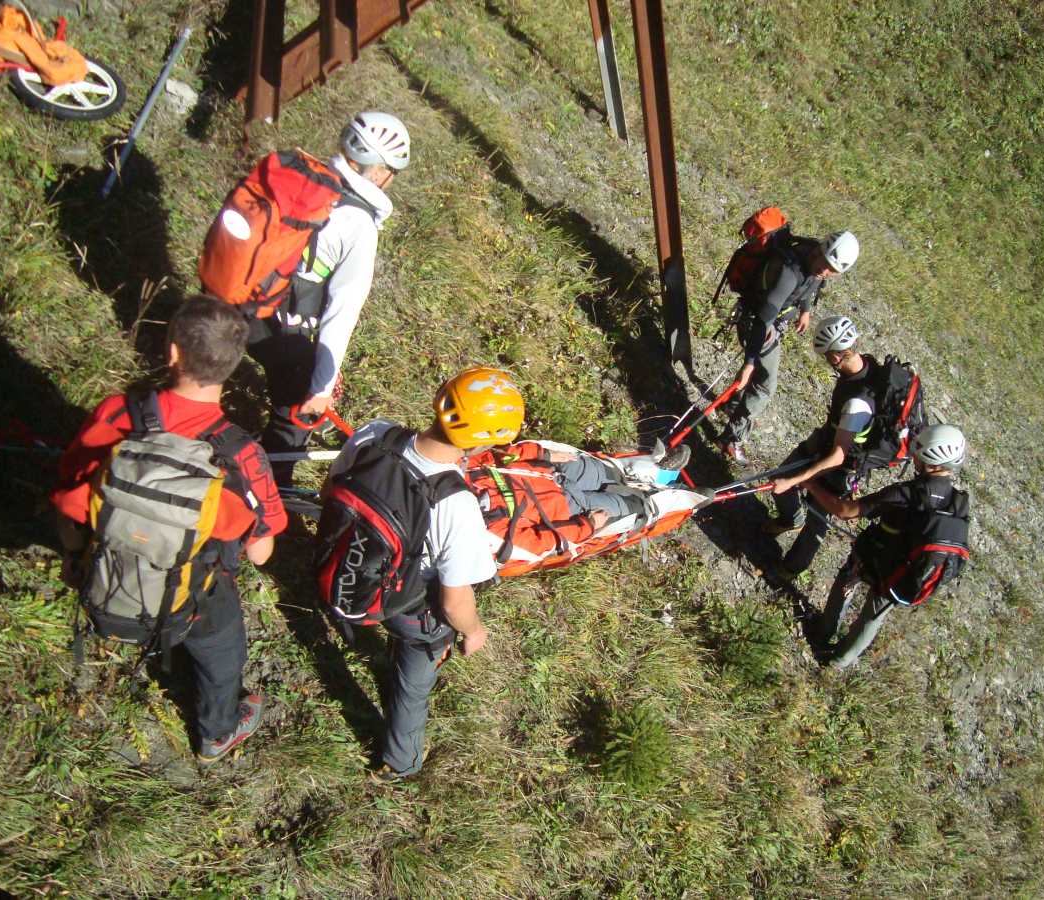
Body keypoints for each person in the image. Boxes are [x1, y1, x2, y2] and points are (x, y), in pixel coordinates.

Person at [51, 296, 288, 763]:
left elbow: (68, 501)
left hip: (110, 567)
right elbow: (261, 552)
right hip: (198, 595)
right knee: (222, 655)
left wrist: (75, 556)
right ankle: (216, 734)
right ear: (233, 366)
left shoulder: (118, 413)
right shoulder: (241, 454)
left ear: (173, 352)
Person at [326, 366, 524, 781]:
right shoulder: (455, 504)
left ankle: (345, 612)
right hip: (411, 607)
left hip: (346, 560)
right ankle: (401, 762)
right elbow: (454, 602)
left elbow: (333, 489)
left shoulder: (376, 433)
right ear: (484, 442)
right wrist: (473, 631)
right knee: (413, 685)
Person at [246, 111, 410, 484]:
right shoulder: (360, 225)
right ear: (380, 171)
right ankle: (268, 489)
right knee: (296, 411)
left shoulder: (302, 176)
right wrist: (319, 388)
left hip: (233, 294)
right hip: (278, 323)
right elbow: (342, 312)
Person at [802, 424, 969, 667]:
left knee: (846, 583)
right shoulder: (958, 502)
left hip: (873, 557)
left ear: (930, 461)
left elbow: (846, 511)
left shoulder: (907, 493)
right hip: (906, 573)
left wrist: (810, 484)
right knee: (874, 616)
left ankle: (823, 632)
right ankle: (840, 661)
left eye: (918, 453)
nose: (913, 456)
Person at [719, 230, 859, 463]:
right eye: (824, 265)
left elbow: (810, 285)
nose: (824, 272)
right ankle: (731, 439)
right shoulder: (790, 273)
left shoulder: (811, 257)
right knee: (765, 385)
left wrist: (805, 310)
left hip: (768, 323)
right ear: (820, 251)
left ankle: (732, 405)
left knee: (758, 374)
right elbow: (763, 320)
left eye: (831, 270)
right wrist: (749, 363)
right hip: (758, 325)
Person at [765, 315, 880, 580]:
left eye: (827, 356)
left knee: (818, 519)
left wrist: (797, 480)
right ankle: (790, 519)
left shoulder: (857, 404)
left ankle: (790, 569)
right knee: (781, 476)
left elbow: (838, 456)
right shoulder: (865, 366)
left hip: (842, 465)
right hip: (826, 440)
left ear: (836, 356)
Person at [467, 441, 691, 560]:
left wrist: (543, 455)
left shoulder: (462, 469)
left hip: (550, 470)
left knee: (598, 469)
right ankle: (669, 500)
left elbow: (501, 453)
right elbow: (538, 543)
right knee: (629, 508)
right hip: (569, 509)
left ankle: (650, 473)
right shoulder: (481, 530)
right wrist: (587, 525)